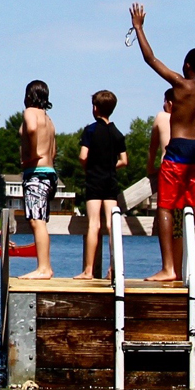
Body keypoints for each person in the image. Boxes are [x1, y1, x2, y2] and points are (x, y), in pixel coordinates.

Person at [133, 4, 195, 283]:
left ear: (186, 66)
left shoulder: (179, 85)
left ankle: (169, 269)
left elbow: (151, 59)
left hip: (178, 151)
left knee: (165, 207)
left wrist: (139, 27)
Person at [74, 90, 127, 280]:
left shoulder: (91, 130)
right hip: (110, 181)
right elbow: (124, 160)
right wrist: (109, 166)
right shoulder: (117, 133)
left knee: (94, 224)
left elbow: (82, 156)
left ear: (95, 109)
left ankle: (89, 270)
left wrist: (90, 167)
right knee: (113, 226)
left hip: (94, 180)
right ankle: (114, 268)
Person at [17, 80, 59, 279]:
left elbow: (32, 129)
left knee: (37, 221)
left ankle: (44, 268)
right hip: (49, 173)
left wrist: (31, 155)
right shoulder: (49, 120)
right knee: (40, 220)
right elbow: (54, 150)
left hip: (36, 173)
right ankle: (45, 266)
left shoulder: (30, 112)